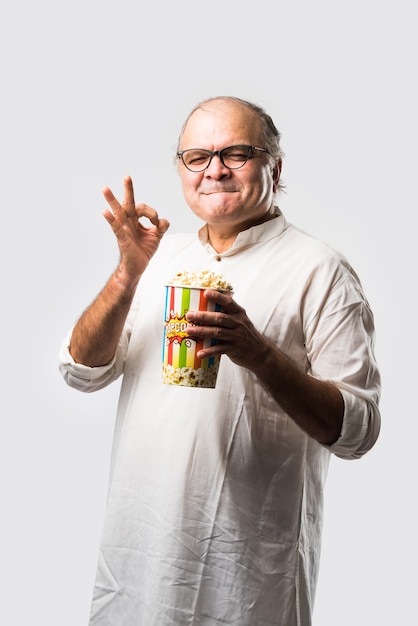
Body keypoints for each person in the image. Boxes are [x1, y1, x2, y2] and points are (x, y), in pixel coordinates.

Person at [59, 95, 381, 626]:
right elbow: (81, 371)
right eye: (197, 157)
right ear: (182, 170)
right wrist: (126, 275)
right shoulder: (159, 257)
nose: (214, 169)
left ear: (274, 168)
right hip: (139, 564)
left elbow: (358, 430)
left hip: (249, 576)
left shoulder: (320, 271)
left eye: (236, 152)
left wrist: (259, 354)